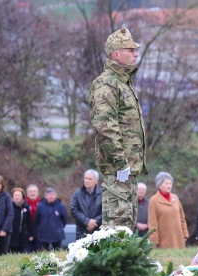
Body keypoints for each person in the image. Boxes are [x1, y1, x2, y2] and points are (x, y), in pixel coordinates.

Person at [89, 27, 147, 231]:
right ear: (116, 54)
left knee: (126, 229)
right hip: (118, 170)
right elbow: (105, 127)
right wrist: (120, 163)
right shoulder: (107, 83)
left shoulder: (124, 83)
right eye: (130, 50)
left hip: (127, 170)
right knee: (116, 230)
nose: (135, 53)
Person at [148, 172, 188, 249]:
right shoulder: (154, 200)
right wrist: (154, 241)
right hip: (165, 240)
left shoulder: (175, 198)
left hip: (179, 239)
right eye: (166, 184)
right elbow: (152, 223)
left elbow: (182, 218)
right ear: (159, 185)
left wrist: (185, 234)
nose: (169, 186)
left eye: (170, 183)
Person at [70, 169, 103, 239]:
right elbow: (74, 210)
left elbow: (107, 211)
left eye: (90, 179)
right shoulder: (77, 194)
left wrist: (95, 222)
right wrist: (87, 221)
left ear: (96, 181)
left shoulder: (103, 194)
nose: (87, 181)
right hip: (82, 232)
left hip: (99, 232)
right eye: (86, 178)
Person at [9, 187, 34, 253]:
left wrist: (30, 234)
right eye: (15, 195)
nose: (17, 197)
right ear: (12, 196)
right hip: (11, 234)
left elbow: (29, 221)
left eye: (19, 195)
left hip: (22, 235)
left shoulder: (26, 206)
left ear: (22, 196)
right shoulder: (9, 206)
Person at [24, 184, 41, 252]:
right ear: (27, 194)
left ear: (37, 193)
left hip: (40, 234)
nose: (32, 193)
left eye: (34, 191)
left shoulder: (42, 204)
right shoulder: (23, 204)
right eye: (30, 192)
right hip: (26, 234)